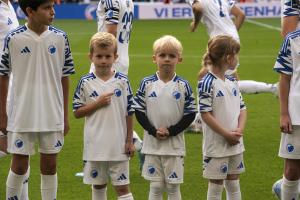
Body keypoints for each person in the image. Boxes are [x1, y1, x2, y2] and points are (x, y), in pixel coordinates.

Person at [0, 0, 75, 199]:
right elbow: (3, 75)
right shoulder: (13, 38)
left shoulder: (60, 37)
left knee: (50, 165)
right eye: (47, 8)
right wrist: (2, 113)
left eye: (53, 6)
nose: (53, 12)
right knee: (19, 165)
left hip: (51, 112)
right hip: (22, 113)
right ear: (30, 11)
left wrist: (64, 115)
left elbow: (64, 77)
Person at [134, 35, 197, 200]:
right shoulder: (146, 83)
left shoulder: (183, 85)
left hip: (174, 146)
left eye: (172, 56)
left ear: (179, 59)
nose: (167, 59)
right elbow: (139, 111)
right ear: (154, 58)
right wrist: (153, 131)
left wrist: (171, 131)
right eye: (162, 55)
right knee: (155, 186)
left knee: (173, 186)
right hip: (152, 144)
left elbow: (190, 113)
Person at [73, 32, 135, 200]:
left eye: (107, 56)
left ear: (115, 57)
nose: (103, 60)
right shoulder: (85, 82)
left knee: (122, 188)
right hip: (95, 144)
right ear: (91, 57)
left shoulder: (122, 81)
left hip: (118, 144)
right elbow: (77, 112)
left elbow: (130, 112)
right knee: (98, 185)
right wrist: (97, 103)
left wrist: (129, 140)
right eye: (99, 56)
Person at [189, 0, 278, 95]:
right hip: (229, 38)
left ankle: (274, 88)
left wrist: (195, 23)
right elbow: (241, 15)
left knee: (204, 77)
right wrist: (231, 36)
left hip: (220, 42)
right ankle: (238, 107)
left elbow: (197, 8)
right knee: (232, 82)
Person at [198, 35, 247, 200]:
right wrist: (226, 134)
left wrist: (239, 130)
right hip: (216, 146)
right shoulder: (206, 83)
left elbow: (242, 108)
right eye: (236, 54)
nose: (237, 59)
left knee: (234, 183)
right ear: (228, 57)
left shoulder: (232, 81)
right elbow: (205, 114)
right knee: (216, 186)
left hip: (235, 142)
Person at [0, 0, 30, 199]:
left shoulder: (8, 4)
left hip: (14, 86)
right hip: (4, 87)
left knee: (22, 148)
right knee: (14, 147)